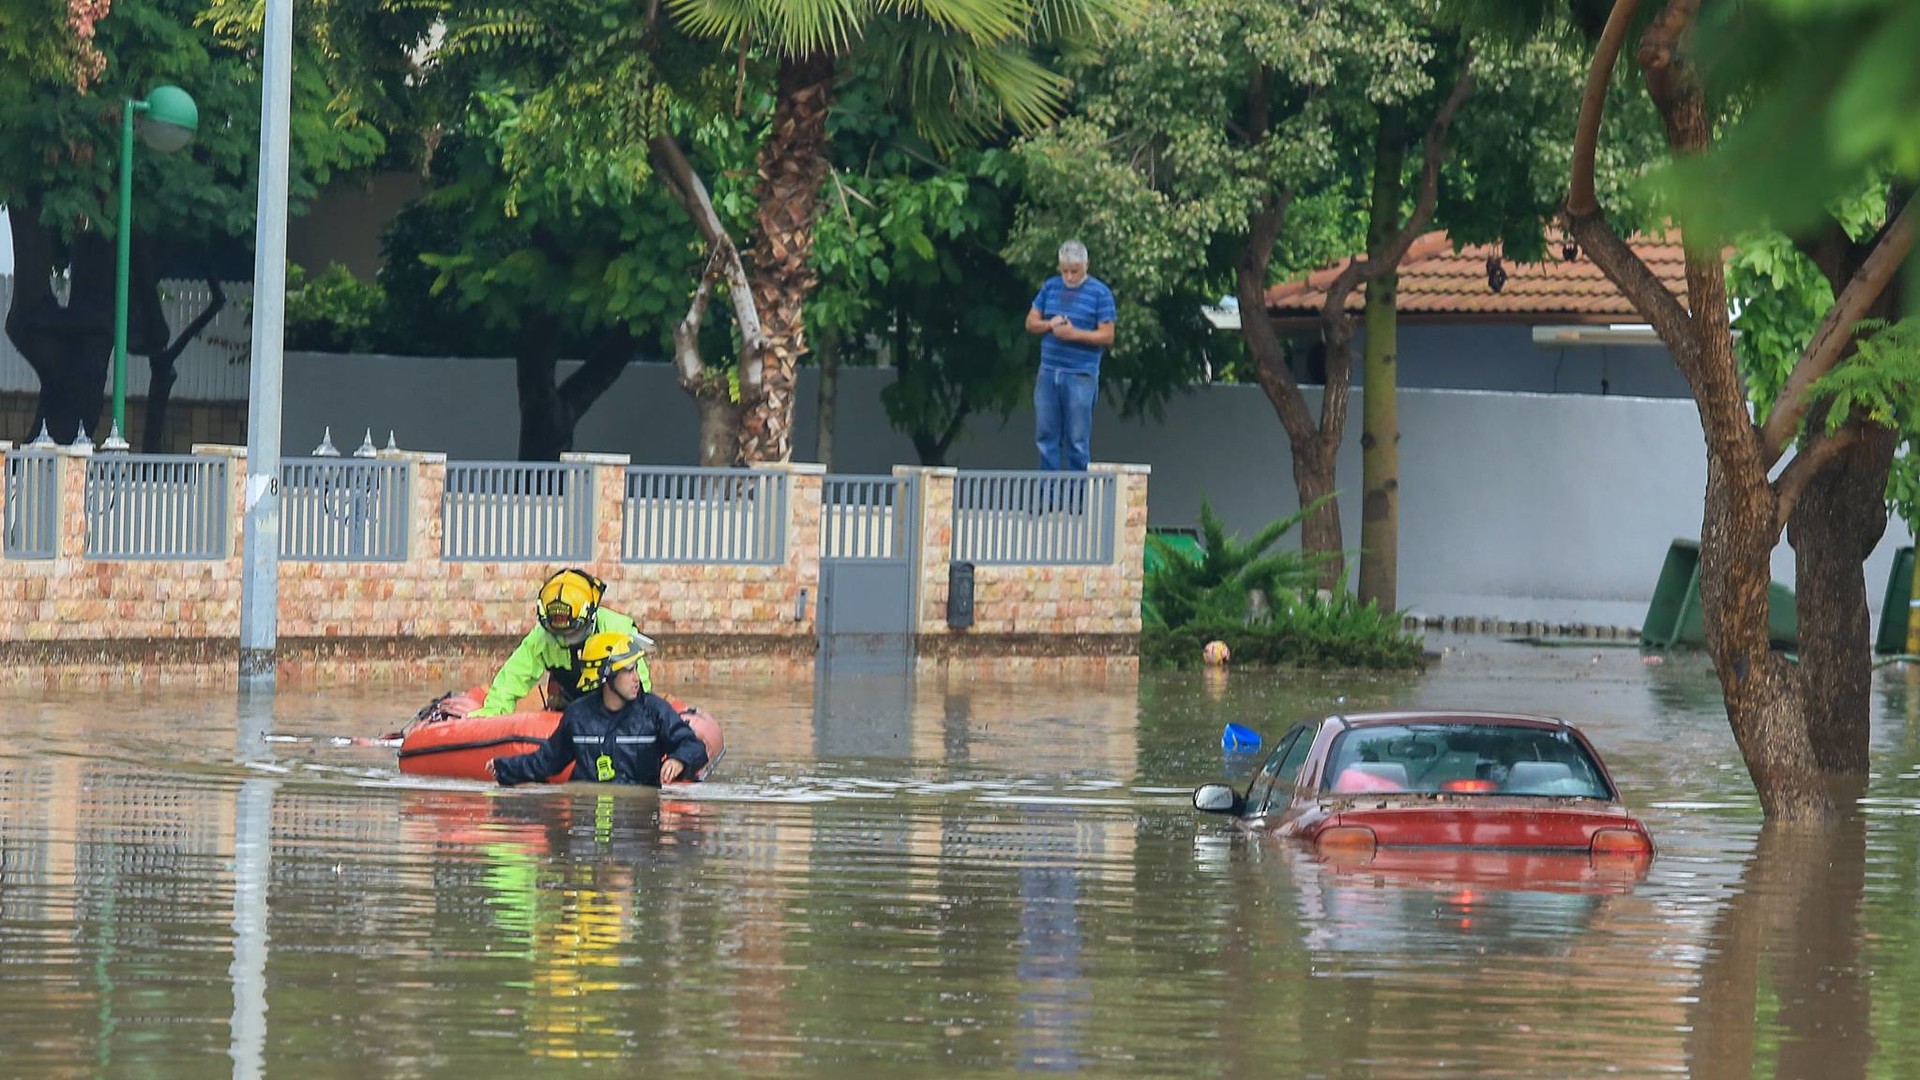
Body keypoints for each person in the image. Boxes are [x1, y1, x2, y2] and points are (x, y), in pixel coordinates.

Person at [486, 630, 708, 787]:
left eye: (636, 670)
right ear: (606, 676)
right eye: (628, 671)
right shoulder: (578, 715)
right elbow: (547, 762)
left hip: (636, 829)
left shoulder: (654, 712)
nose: (636, 678)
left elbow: (693, 746)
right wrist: (505, 768)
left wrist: (678, 760)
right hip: (586, 822)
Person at [471, 568, 650, 717]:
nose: (563, 639)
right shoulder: (542, 637)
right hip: (568, 706)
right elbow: (512, 678)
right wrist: (492, 713)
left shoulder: (618, 630)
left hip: (613, 708)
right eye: (557, 632)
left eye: (571, 633)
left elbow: (639, 683)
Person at [1025, 239, 1116, 472]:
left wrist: (1073, 333)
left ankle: (1076, 503)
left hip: (1080, 373)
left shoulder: (1100, 293)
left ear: (1086, 265)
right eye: (1065, 271)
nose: (1069, 277)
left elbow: (1107, 336)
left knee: (1077, 441)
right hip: (1048, 371)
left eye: (1074, 271)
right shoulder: (1050, 287)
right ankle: (1049, 500)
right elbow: (1031, 323)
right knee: (1046, 437)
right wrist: (1049, 324)